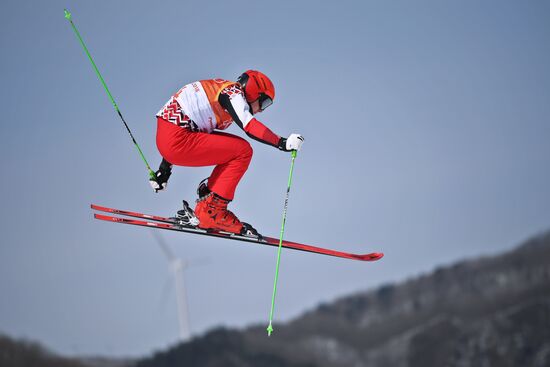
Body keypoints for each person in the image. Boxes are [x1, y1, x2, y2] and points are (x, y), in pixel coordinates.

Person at [150, 70, 304, 236]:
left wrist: (165, 169)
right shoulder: (232, 93)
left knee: (235, 149)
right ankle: (212, 213)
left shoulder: (222, 91)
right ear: (253, 92)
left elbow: (183, 119)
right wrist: (282, 142)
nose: (262, 110)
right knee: (242, 151)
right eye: (264, 103)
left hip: (170, 138)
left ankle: (209, 202)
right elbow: (249, 125)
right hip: (177, 140)